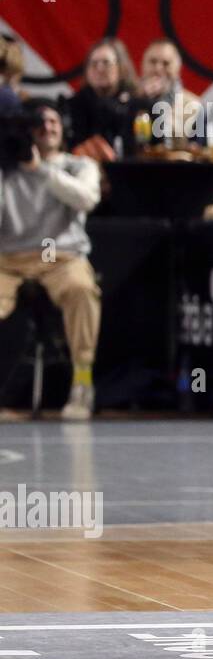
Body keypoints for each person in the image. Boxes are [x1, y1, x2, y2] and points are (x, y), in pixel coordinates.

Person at [0, 99, 101, 419]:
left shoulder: (79, 165)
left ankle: (82, 384)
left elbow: (86, 199)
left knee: (82, 291)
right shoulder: (7, 169)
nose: (49, 128)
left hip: (62, 256)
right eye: (41, 123)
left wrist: (40, 169)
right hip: (10, 259)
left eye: (54, 121)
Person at [67, 38, 143, 160]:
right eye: (94, 63)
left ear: (121, 68)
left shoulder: (137, 105)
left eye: (106, 63)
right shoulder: (73, 106)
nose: (100, 69)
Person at [139, 38, 203, 144]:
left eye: (166, 63)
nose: (158, 69)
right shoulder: (129, 99)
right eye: (153, 62)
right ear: (143, 65)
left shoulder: (193, 105)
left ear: (177, 69)